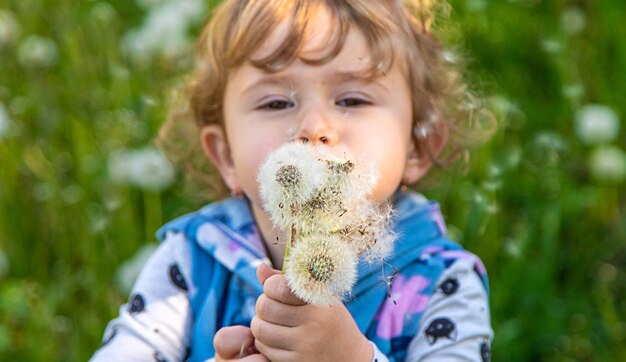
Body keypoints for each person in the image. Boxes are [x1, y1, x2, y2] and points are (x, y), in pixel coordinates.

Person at [91, 0, 493, 361]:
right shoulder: (190, 260)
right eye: (276, 102)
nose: (313, 127)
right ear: (226, 155)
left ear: (417, 147)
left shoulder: (441, 283)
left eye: (352, 100)